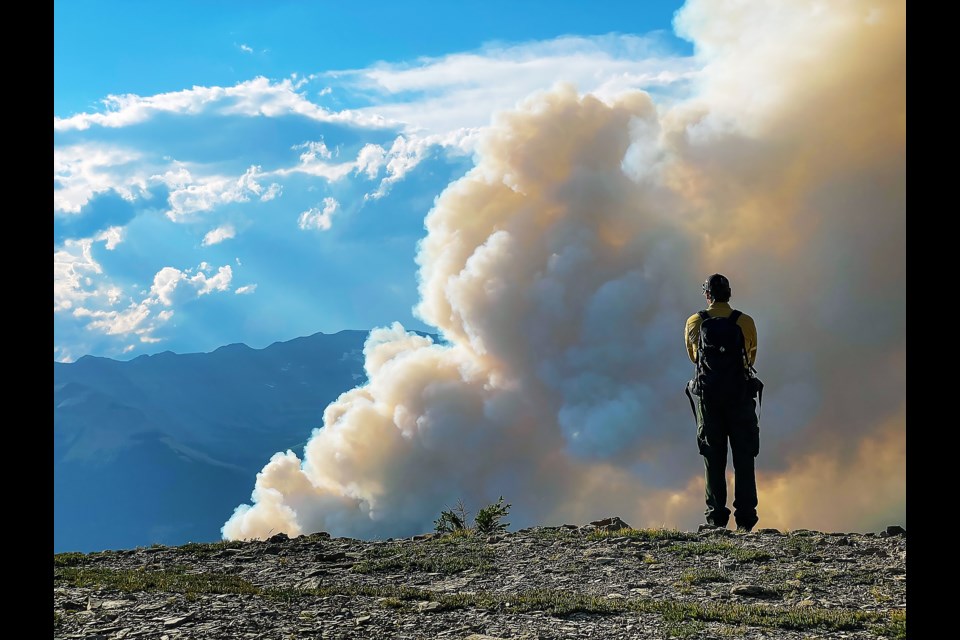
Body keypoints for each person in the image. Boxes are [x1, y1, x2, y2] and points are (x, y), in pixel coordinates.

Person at [684, 274, 760, 532]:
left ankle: (716, 518)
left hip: (710, 400)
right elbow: (751, 356)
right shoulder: (745, 321)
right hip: (740, 399)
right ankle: (746, 520)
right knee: (744, 457)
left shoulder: (695, 322)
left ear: (707, 294)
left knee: (713, 458)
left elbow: (694, 357)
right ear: (729, 293)